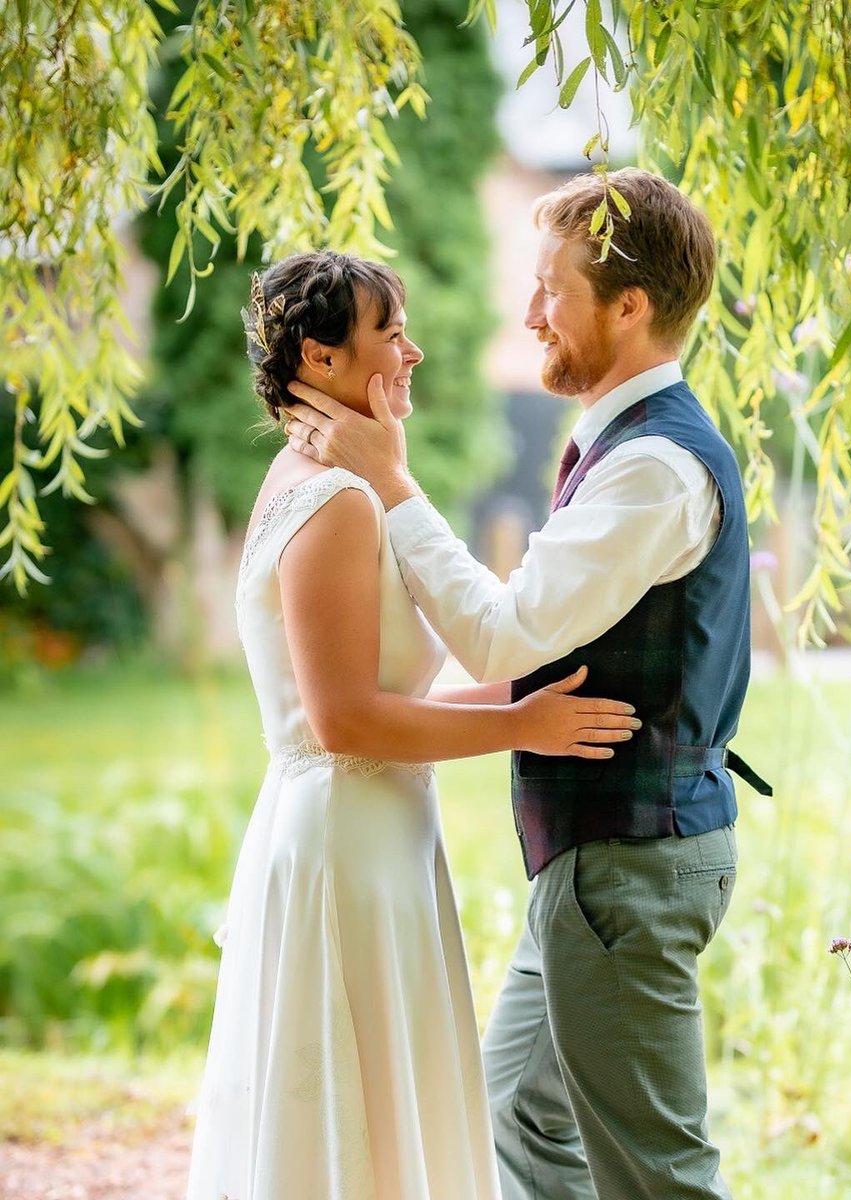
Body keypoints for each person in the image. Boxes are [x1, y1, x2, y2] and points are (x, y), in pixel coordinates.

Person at [285, 169, 771, 1200]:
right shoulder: (622, 446)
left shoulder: (652, 468)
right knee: (515, 1114)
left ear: (629, 307)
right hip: (600, 868)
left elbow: (504, 635)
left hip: (632, 866)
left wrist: (396, 485)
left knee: (658, 1175)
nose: (529, 313)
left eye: (551, 288)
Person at [185, 250, 642, 1200]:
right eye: (390, 334)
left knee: (374, 1107)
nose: (414, 353)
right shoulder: (339, 502)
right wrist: (521, 725)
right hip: (346, 847)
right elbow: (344, 718)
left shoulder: (321, 480)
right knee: (351, 1113)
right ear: (318, 358)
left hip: (370, 834)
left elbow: (377, 704)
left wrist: (531, 704)